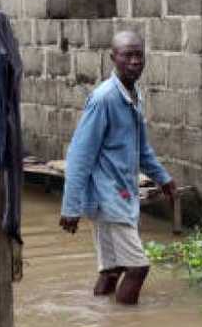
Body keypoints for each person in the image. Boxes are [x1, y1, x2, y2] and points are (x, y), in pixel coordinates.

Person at [59, 31, 177, 305]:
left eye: (139, 55)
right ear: (114, 58)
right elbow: (79, 156)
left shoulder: (133, 96)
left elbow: (141, 149)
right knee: (138, 268)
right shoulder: (104, 99)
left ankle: (102, 320)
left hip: (120, 195)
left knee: (112, 272)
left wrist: (164, 179)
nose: (135, 61)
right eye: (128, 55)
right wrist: (71, 207)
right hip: (109, 198)